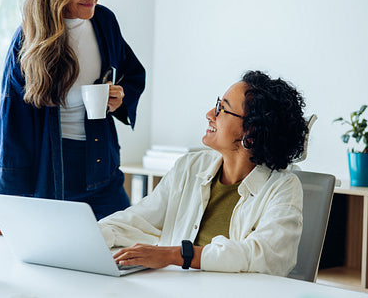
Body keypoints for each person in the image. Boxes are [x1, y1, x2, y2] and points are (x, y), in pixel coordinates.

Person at [99, 71, 308, 275]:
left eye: (222, 109)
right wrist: (92, 234)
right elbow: (139, 220)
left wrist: (177, 255)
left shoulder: (283, 188)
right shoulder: (191, 166)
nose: (209, 114)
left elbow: (265, 256)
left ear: (251, 132)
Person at [0, 0, 145, 220]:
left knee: (121, 251)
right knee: (61, 257)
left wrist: (120, 99)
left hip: (103, 168)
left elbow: (134, 74)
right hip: (53, 175)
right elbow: (13, 129)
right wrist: (6, 210)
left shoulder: (105, 22)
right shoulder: (27, 42)